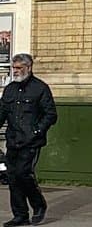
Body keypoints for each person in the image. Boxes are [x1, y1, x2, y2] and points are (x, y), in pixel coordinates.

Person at [0, 54, 57, 227]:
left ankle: (38, 205)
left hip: (31, 141)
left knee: (24, 174)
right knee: (12, 176)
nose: (15, 71)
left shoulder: (40, 88)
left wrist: (37, 130)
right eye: (14, 68)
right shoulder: (9, 89)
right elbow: (2, 113)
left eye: (18, 68)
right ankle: (20, 215)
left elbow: (51, 114)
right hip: (13, 139)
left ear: (28, 67)